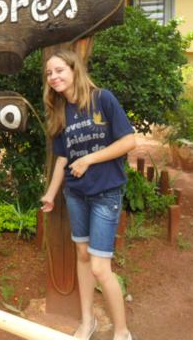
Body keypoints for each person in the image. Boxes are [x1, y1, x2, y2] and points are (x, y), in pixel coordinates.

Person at [40, 50, 136, 340]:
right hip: (76, 194)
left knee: (99, 266)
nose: (54, 77)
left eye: (59, 70)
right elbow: (61, 160)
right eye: (49, 73)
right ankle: (87, 320)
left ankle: (121, 332)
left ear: (74, 70)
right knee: (82, 254)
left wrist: (90, 159)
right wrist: (50, 194)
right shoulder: (59, 111)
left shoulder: (102, 99)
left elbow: (129, 140)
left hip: (106, 193)